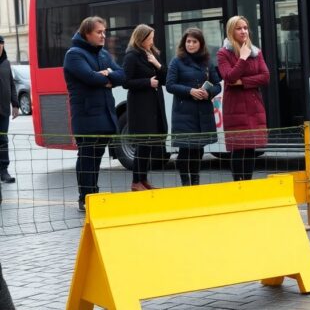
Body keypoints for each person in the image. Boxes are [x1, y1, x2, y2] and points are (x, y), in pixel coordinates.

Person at [63, 16, 125, 212]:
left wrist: (107, 75)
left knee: (97, 157)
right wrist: (106, 76)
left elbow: (122, 75)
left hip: (105, 114)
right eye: (99, 32)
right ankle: (85, 196)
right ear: (86, 33)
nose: (103, 36)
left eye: (104, 32)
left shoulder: (103, 54)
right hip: (86, 115)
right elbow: (89, 78)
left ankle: (94, 193)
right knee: (87, 157)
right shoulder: (74, 54)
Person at [166, 28, 221, 186]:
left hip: (202, 112)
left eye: (194, 41)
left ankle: (195, 183)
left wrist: (208, 93)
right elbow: (170, 85)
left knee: (198, 149)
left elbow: (217, 85)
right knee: (185, 150)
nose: (190, 44)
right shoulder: (176, 61)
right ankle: (185, 183)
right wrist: (190, 91)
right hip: (184, 112)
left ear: (200, 43)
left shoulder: (207, 62)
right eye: (188, 41)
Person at [217, 15, 269, 181]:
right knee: (239, 149)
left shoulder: (256, 51)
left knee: (251, 149)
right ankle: (238, 185)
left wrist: (243, 82)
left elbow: (266, 76)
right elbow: (230, 77)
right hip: (236, 108)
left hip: (254, 107)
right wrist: (243, 58)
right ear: (232, 31)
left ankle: (248, 184)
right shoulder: (223, 53)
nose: (243, 31)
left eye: (245, 28)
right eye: (239, 28)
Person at [122, 24, 167, 192]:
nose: (152, 40)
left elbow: (165, 78)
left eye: (152, 37)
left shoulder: (152, 54)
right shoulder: (132, 56)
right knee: (142, 144)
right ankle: (136, 181)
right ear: (141, 38)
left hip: (154, 104)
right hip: (140, 106)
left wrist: (157, 63)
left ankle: (143, 179)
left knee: (149, 144)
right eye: (149, 38)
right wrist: (147, 82)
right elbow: (126, 82)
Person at [0, 36, 19, 184]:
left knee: (3, 140)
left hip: (3, 111)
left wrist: (16, 104)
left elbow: (12, 85)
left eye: (1, 44)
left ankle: (4, 171)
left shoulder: (6, 63)